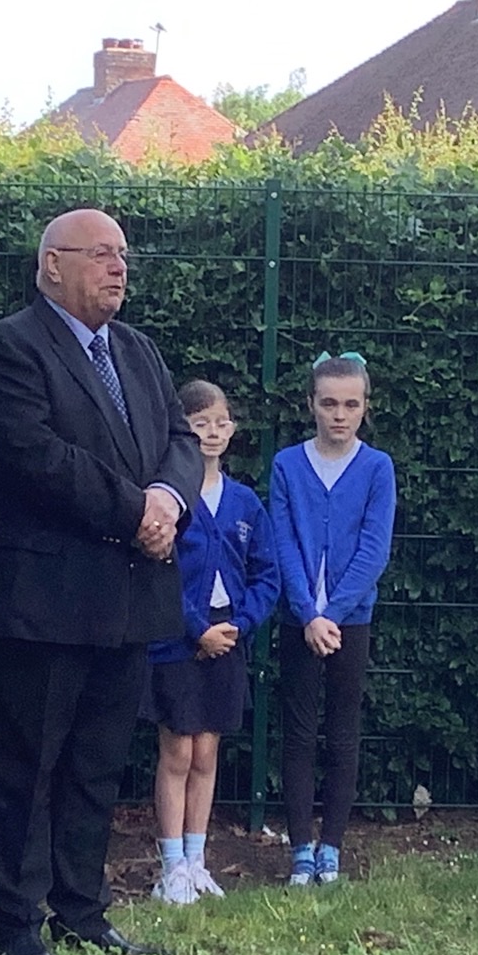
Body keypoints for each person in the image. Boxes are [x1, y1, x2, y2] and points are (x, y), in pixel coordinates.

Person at [0, 208, 203, 955]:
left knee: (98, 762)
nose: (118, 267)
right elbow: (35, 456)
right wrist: (137, 512)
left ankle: (81, 910)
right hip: (39, 600)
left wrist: (168, 498)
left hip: (126, 596)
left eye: (123, 254)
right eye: (100, 254)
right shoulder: (8, 349)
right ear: (51, 266)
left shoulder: (138, 352)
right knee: (27, 763)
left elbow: (181, 440)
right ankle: (17, 924)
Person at [143, 381, 279, 905]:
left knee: (207, 752)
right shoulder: (170, 499)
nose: (213, 432)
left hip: (229, 636)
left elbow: (267, 574)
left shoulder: (245, 501)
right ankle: (171, 867)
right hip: (179, 640)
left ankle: (197, 862)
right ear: (182, 431)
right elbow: (161, 571)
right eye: (200, 424)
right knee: (177, 751)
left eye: (221, 422)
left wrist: (239, 626)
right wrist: (196, 628)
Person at [267, 352, 397, 888]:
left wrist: (334, 614)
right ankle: (300, 847)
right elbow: (282, 541)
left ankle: (332, 848)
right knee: (297, 733)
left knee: (343, 734)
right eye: (328, 404)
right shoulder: (286, 465)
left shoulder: (377, 468)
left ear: (365, 408)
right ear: (311, 406)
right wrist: (307, 613)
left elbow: (374, 549)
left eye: (350, 404)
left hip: (350, 621)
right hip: (301, 621)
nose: (339, 415)